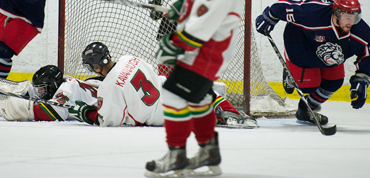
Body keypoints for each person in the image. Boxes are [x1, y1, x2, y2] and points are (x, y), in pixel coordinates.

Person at [145, 0, 243, 177]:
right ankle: (208, 151)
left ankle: (176, 156)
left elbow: (203, 26)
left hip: (211, 47)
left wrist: (173, 44)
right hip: (204, 43)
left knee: (173, 95)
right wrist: (177, 6)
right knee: (198, 97)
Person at [69, 42, 257, 128]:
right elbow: (151, 72)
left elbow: (109, 119)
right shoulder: (129, 59)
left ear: (95, 65)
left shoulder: (110, 86)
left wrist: (87, 113)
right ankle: (227, 110)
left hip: (162, 113)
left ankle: (217, 117)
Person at [255, 0, 370, 126]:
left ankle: (305, 110)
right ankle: (290, 74)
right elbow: (281, 6)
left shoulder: (362, 31)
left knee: (334, 82)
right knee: (308, 86)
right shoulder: (312, 13)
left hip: (328, 54)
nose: (351, 23)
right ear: (336, 13)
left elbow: (366, 55)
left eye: (355, 18)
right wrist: (270, 16)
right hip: (301, 46)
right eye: (347, 18)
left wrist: (362, 80)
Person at [0, 65, 99, 121]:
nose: (39, 93)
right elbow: (34, 91)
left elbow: (55, 113)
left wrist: (21, 108)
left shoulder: (66, 90)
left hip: (99, 106)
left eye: (42, 89)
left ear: (52, 85)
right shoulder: (57, 83)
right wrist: (16, 91)